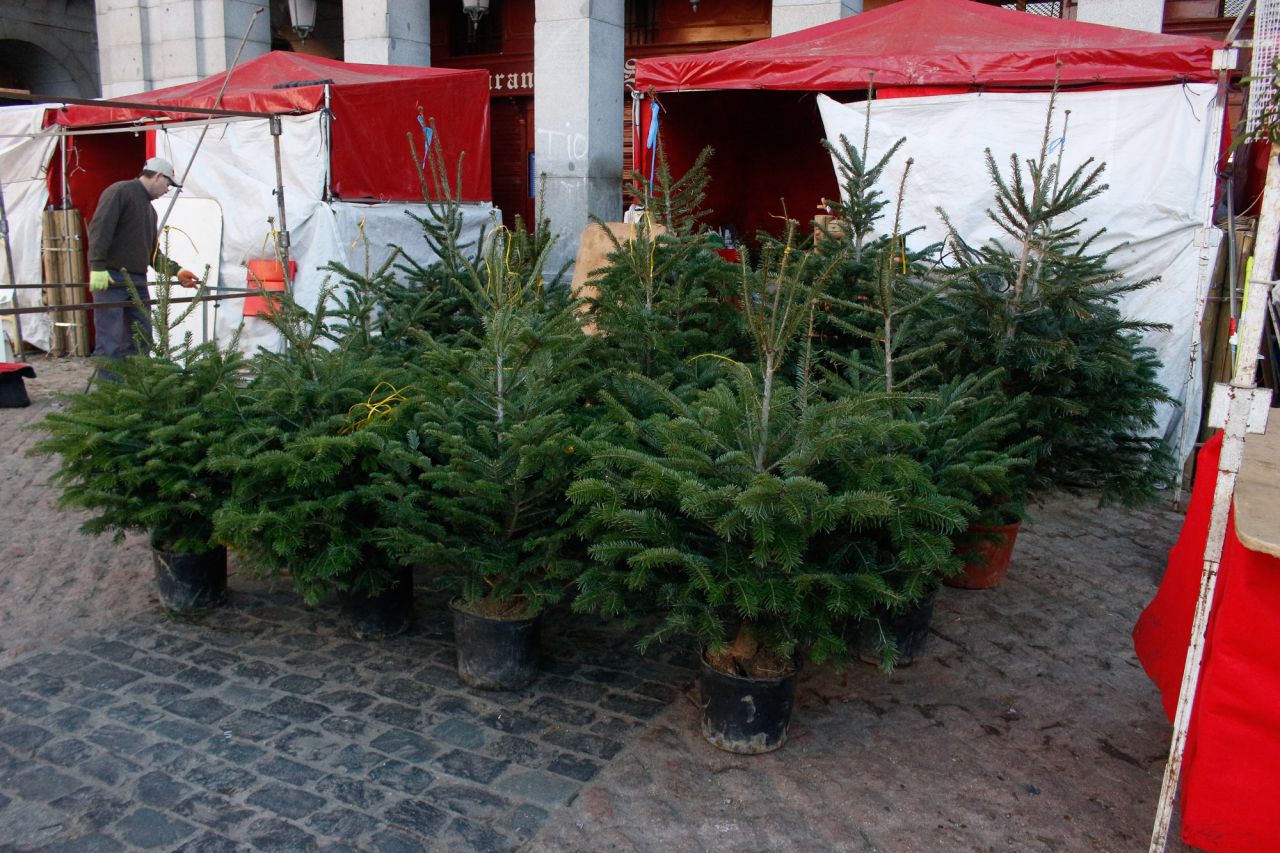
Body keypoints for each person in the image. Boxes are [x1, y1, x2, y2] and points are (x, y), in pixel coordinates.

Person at [87, 156, 200, 359]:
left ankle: (138, 379)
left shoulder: (150, 211)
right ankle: (109, 380)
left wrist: (178, 271)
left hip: (137, 280)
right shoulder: (120, 192)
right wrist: (97, 266)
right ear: (158, 176)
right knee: (111, 340)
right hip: (111, 278)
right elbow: (100, 229)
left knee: (142, 338)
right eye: (168, 184)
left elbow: (152, 254)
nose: (167, 190)